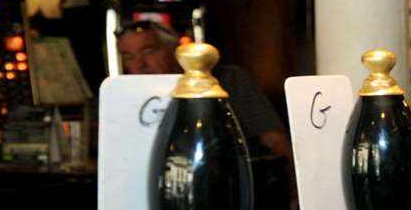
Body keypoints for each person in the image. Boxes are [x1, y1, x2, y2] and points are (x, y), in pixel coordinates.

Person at [115, 23, 291, 161]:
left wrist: (294, 192)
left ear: (176, 50)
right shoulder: (125, 96)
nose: (140, 65)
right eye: (129, 57)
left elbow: (275, 140)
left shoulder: (229, 79)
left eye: (149, 51)